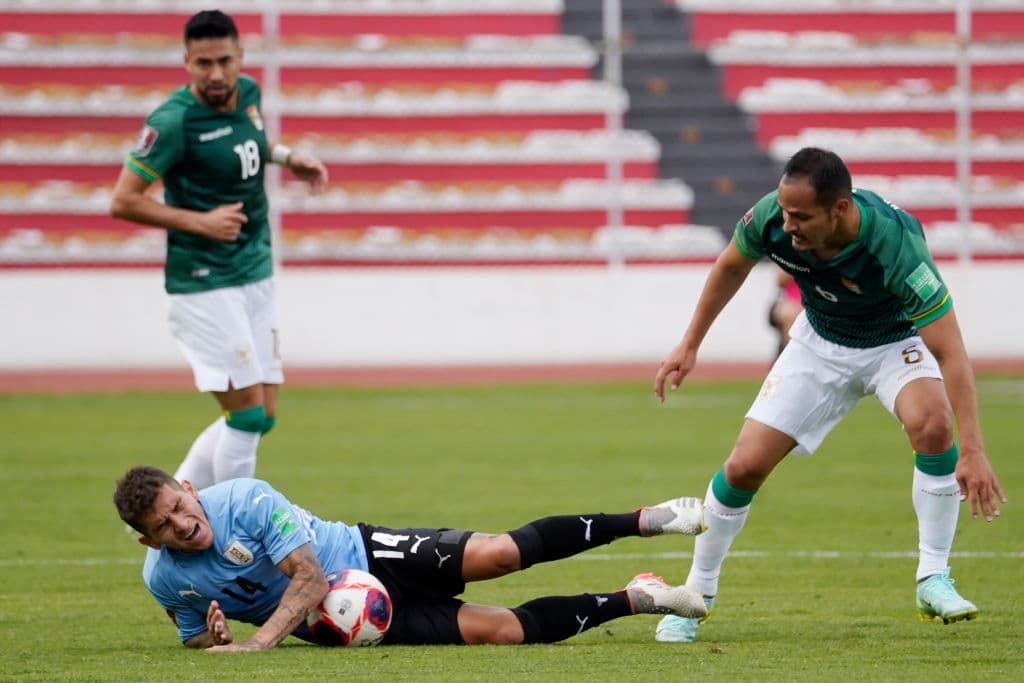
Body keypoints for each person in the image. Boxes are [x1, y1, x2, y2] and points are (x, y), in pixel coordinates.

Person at [652, 147, 1005, 644]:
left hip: (894, 342)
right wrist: (690, 342)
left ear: (840, 209)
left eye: (801, 216)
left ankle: (933, 578)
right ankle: (696, 594)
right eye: (785, 211)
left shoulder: (895, 244)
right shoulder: (772, 217)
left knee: (933, 425)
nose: (789, 224)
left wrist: (972, 451)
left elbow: (951, 353)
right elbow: (731, 265)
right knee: (743, 467)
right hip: (820, 342)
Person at [113, 465, 710, 650]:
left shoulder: (245, 497)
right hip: (341, 624)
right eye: (162, 526)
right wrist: (213, 640)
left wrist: (258, 643)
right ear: (148, 540)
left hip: (370, 554)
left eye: (177, 506)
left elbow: (309, 576)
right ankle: (638, 598)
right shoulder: (163, 578)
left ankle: (643, 520)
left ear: (188, 489)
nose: (182, 525)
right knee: (503, 633)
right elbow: (192, 636)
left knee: (502, 554)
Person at [109, 10, 328, 489]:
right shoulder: (172, 122)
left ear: (240, 58)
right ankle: (235, 534)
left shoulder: (248, 93)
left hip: (255, 268)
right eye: (203, 62)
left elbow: (248, 142)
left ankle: (164, 510)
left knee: (261, 415)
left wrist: (289, 157)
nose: (215, 74)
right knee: (246, 415)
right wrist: (200, 222)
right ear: (186, 61)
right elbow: (122, 201)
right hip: (204, 282)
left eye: (224, 61)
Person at [767, 265, 802, 357]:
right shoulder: (790, 253)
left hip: (815, 304)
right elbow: (780, 281)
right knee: (790, 314)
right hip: (790, 302)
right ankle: (792, 357)